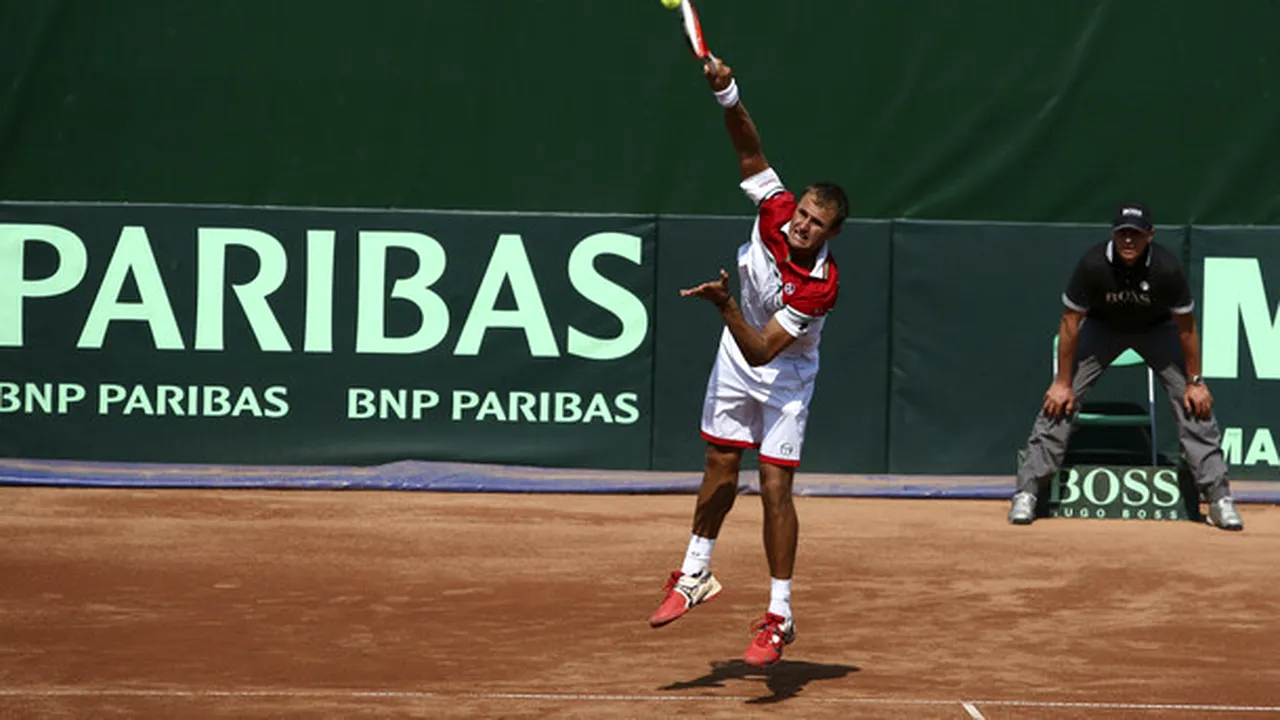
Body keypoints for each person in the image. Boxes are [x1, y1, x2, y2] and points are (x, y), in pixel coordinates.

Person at [647, 56, 848, 668]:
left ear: (831, 233)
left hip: (784, 374)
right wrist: (727, 92)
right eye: (804, 214)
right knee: (718, 466)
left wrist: (726, 305)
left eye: (817, 224)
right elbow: (748, 150)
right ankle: (694, 575)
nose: (804, 227)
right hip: (736, 355)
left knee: (774, 486)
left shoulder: (819, 286)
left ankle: (780, 615)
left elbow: (763, 348)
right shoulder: (776, 209)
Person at [1008, 203, 1243, 531]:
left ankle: (1219, 498)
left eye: (1135, 234)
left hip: (1157, 331)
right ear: (1113, 235)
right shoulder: (1093, 264)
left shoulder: (1167, 268)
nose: (1128, 241)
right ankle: (1028, 492)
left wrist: (1195, 380)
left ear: (1150, 235)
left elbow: (1187, 330)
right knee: (1061, 398)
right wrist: (1062, 382)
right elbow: (1070, 323)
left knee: (1194, 402)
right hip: (1102, 329)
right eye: (1122, 234)